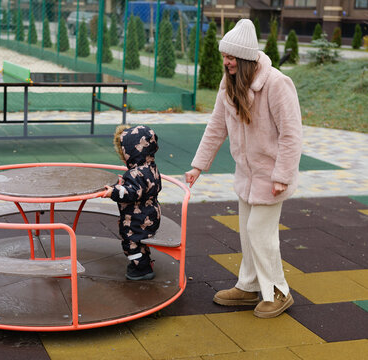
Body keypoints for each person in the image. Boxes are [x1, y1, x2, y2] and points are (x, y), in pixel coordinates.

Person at [185, 19, 302, 318]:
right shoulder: (229, 85)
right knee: (248, 233)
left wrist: (282, 176)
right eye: (225, 56)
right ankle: (250, 285)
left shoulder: (277, 83)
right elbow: (216, 127)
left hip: (271, 175)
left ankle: (278, 290)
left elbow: (291, 134)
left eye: (231, 57)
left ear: (247, 58)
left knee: (259, 232)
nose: (226, 62)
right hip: (246, 176)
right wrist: (198, 165)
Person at [104, 125, 162, 281]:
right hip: (151, 213)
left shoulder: (136, 173)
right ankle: (144, 261)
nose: (123, 158)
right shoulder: (151, 167)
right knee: (140, 240)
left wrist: (114, 192)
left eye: (124, 153)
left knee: (130, 243)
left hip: (137, 218)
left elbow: (132, 193)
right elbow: (144, 188)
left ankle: (141, 268)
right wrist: (126, 183)